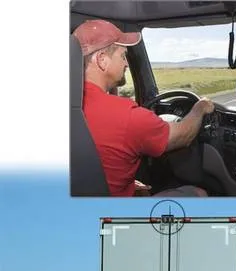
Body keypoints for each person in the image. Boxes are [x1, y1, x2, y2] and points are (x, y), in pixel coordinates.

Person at [72, 19, 215, 197]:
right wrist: (200, 108)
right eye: (122, 56)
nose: (126, 64)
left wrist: (126, 183)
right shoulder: (126, 115)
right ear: (102, 60)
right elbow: (183, 136)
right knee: (199, 193)